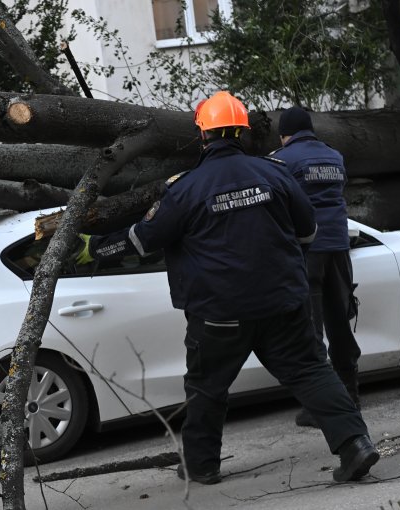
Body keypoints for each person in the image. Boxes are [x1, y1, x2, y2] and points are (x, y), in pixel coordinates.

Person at [74, 91, 378, 484]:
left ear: (203, 135)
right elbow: (308, 232)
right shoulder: (276, 173)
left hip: (219, 314)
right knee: (311, 372)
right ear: (242, 132)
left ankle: (202, 466)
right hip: (282, 303)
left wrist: (93, 248)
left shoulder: (185, 189)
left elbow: (143, 239)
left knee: (206, 388)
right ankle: (356, 445)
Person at [271, 106, 361, 428]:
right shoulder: (334, 156)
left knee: (311, 330)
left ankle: (321, 407)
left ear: (285, 134)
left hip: (307, 251)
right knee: (339, 323)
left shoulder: (281, 160)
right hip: (339, 247)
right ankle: (350, 395)